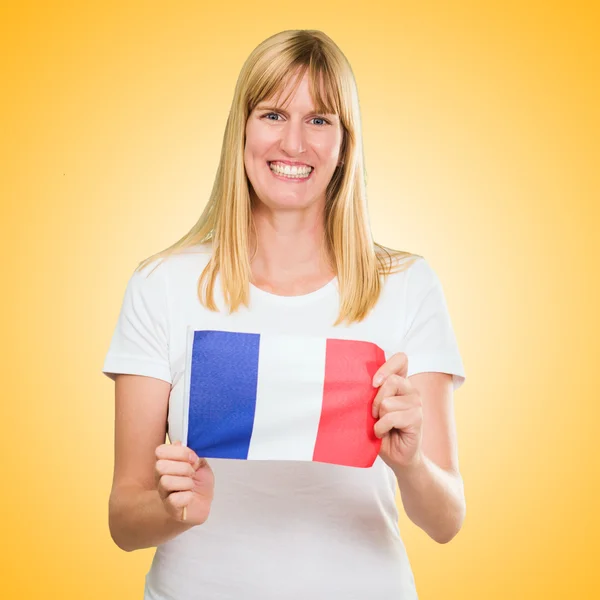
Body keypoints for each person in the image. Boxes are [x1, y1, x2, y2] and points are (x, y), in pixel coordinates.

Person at [102, 29, 467, 600]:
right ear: (242, 130)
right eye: (273, 114)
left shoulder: (406, 286)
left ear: (345, 143)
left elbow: (446, 521)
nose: (294, 143)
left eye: (320, 120)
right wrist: (173, 511)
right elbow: (125, 519)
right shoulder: (161, 286)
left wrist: (411, 462)